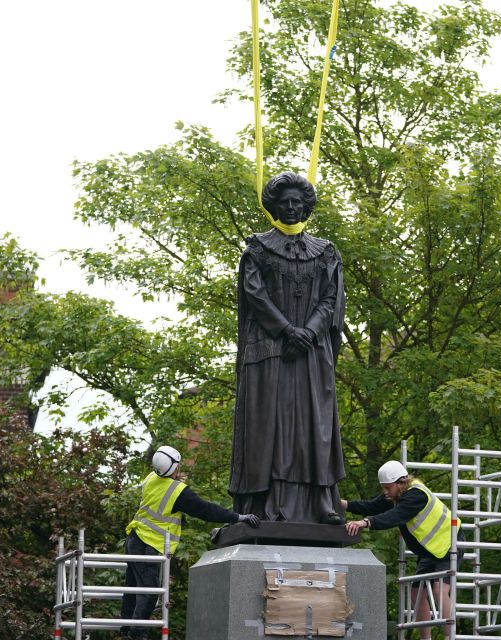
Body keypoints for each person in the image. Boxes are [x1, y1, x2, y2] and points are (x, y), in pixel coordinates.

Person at [228, 172, 346, 524]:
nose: (292, 207)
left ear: (307, 206)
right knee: (272, 428)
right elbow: (255, 296)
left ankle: (320, 504)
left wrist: (308, 332)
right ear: (274, 207)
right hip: (269, 352)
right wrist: (286, 331)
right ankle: (267, 506)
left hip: (311, 354)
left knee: (315, 427)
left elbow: (331, 298)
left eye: (298, 202)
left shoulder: (325, 252)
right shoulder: (258, 249)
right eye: (285, 202)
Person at [121, 445, 260, 639]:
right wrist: (238, 517)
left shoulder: (151, 478)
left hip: (134, 538)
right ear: (174, 468)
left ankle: (126, 629)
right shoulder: (177, 491)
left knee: (133, 587)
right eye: (178, 465)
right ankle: (136, 634)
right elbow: (205, 510)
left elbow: (161, 507)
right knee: (149, 592)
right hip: (151, 544)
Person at [343, 461, 461, 640]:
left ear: (401, 483)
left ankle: (449, 636)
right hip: (432, 551)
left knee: (438, 590)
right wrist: (342, 504)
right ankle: (425, 638)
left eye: (388, 488)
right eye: (383, 488)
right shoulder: (397, 494)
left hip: (450, 544)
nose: (385, 492)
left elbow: (394, 517)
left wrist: (365, 523)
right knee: (416, 593)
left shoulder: (416, 496)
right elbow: (371, 506)